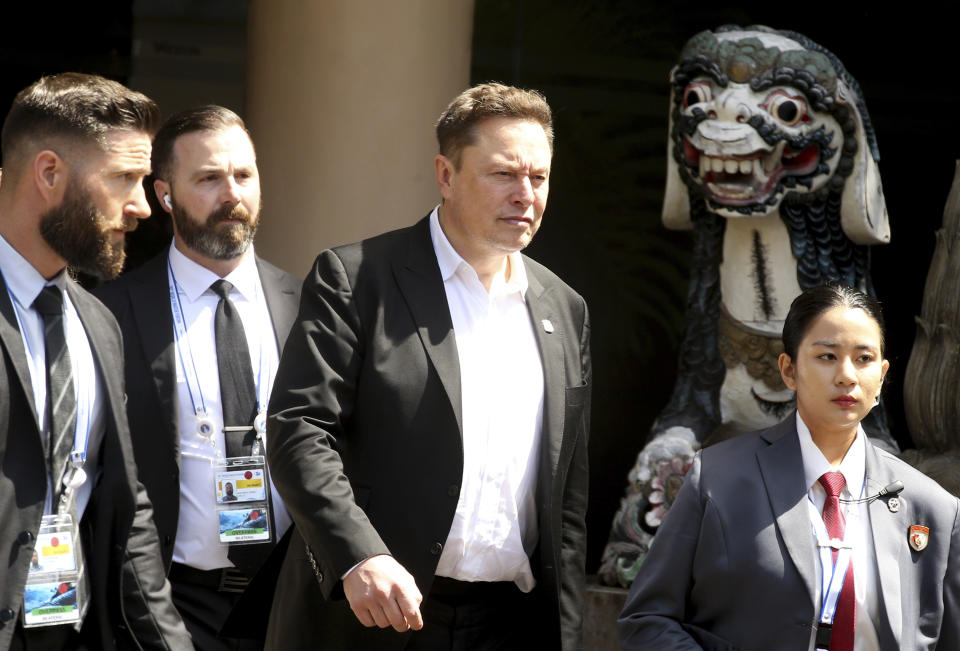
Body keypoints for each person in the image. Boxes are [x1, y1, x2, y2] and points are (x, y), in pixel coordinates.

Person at [265, 82, 591, 650]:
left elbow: (567, 495)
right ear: (446, 175)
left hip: (508, 623)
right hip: (379, 614)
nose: (525, 195)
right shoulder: (358, 277)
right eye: (503, 174)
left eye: (538, 178)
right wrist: (358, 555)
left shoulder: (564, 309)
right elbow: (300, 430)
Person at [618, 284, 960, 650]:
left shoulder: (933, 508)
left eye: (864, 359)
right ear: (789, 370)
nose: (847, 375)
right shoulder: (718, 478)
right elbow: (647, 619)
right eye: (827, 356)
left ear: (882, 375)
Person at [95, 105, 300, 650]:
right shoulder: (110, 313)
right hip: (172, 603)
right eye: (208, 179)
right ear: (165, 196)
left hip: (289, 602)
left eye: (243, 175)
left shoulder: (313, 306)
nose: (231, 194)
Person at [0, 73, 192, 650]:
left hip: (73, 629)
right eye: (123, 179)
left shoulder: (99, 322)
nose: (141, 206)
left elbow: (123, 507)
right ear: (50, 173)